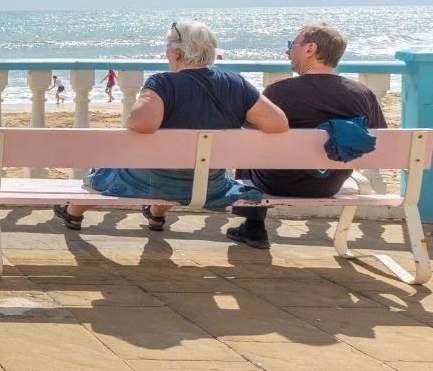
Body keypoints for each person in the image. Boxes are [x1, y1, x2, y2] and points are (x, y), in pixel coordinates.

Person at [56, 20, 286, 231]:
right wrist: (238, 115)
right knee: (182, 171)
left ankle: (72, 213)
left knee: (105, 174)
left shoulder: (163, 83)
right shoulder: (236, 84)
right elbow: (278, 123)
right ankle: (156, 216)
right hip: (210, 186)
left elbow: (140, 123)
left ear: (177, 54)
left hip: (152, 183)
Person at [226, 23, 384, 250]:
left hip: (277, 182)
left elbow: (250, 129)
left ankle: (254, 226)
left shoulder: (279, 91)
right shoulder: (362, 94)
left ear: (310, 49)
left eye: (292, 45)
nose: (288, 51)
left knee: (250, 151)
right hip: (330, 183)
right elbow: (380, 137)